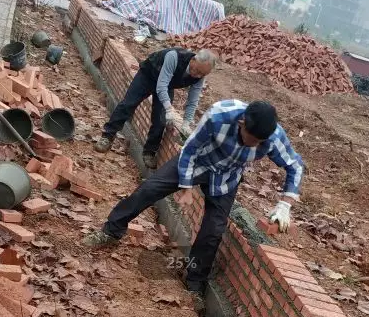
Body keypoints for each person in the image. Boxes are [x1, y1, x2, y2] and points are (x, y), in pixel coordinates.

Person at [85, 99, 304, 294]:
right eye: (252, 139)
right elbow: (190, 150)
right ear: (241, 124)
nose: (256, 145)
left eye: (260, 142)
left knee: (213, 230)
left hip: (226, 177)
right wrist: (187, 186)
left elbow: (295, 165)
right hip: (198, 161)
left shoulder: (272, 136)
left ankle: (194, 283)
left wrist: (285, 205)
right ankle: (111, 231)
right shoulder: (219, 115)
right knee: (149, 189)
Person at [95, 48, 217, 168]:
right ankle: (107, 136)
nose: (198, 75)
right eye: (198, 71)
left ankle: (149, 152)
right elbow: (161, 86)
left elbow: (192, 101)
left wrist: (186, 123)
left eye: (202, 74)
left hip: (167, 84)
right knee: (128, 104)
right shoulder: (174, 57)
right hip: (148, 75)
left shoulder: (200, 77)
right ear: (193, 60)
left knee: (160, 119)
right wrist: (169, 108)